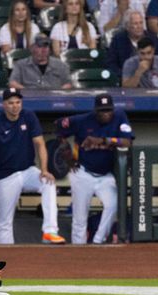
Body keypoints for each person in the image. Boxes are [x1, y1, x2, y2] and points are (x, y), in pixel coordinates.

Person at [0, 87, 63, 245]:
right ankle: (7, 255)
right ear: (4, 104)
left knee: (48, 183)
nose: (15, 106)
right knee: (4, 222)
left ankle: (50, 232)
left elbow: (40, 143)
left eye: (18, 102)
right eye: (11, 103)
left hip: (27, 170)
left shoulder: (28, 116)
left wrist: (44, 170)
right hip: (5, 176)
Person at [55, 93, 134, 245]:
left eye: (108, 110)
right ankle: (78, 250)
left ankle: (98, 242)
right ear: (95, 111)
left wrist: (103, 140)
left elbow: (127, 141)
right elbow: (59, 126)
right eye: (102, 111)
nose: (106, 114)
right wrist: (67, 153)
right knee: (80, 218)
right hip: (83, 173)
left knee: (113, 205)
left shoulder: (119, 116)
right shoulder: (83, 120)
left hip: (105, 175)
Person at [106, 10, 158, 78]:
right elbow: (111, 64)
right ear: (127, 26)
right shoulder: (118, 40)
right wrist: (124, 75)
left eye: (141, 23)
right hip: (127, 81)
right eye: (135, 24)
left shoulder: (152, 39)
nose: (139, 26)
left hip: (152, 78)